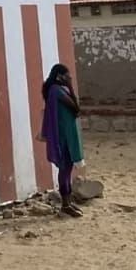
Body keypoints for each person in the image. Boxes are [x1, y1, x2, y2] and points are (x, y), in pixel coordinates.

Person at [38, 64, 84, 217]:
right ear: (60, 76)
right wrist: (71, 87)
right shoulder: (57, 91)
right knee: (64, 169)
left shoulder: (57, 90)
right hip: (62, 136)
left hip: (67, 134)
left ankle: (68, 201)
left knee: (68, 168)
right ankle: (65, 204)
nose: (69, 78)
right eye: (67, 76)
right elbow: (76, 108)